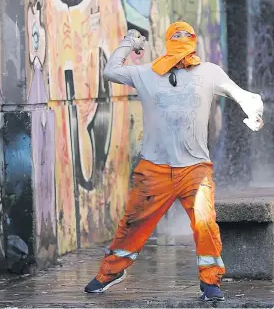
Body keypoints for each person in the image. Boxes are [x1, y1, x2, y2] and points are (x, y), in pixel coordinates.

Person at [84, 22, 264, 301]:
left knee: (206, 223)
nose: (182, 39)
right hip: (154, 169)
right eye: (176, 35)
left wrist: (254, 112)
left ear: (194, 41)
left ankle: (211, 283)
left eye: (187, 35)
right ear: (168, 41)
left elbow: (241, 94)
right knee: (132, 224)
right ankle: (110, 272)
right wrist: (129, 42)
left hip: (195, 169)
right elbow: (109, 71)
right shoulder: (147, 74)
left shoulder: (208, 72)